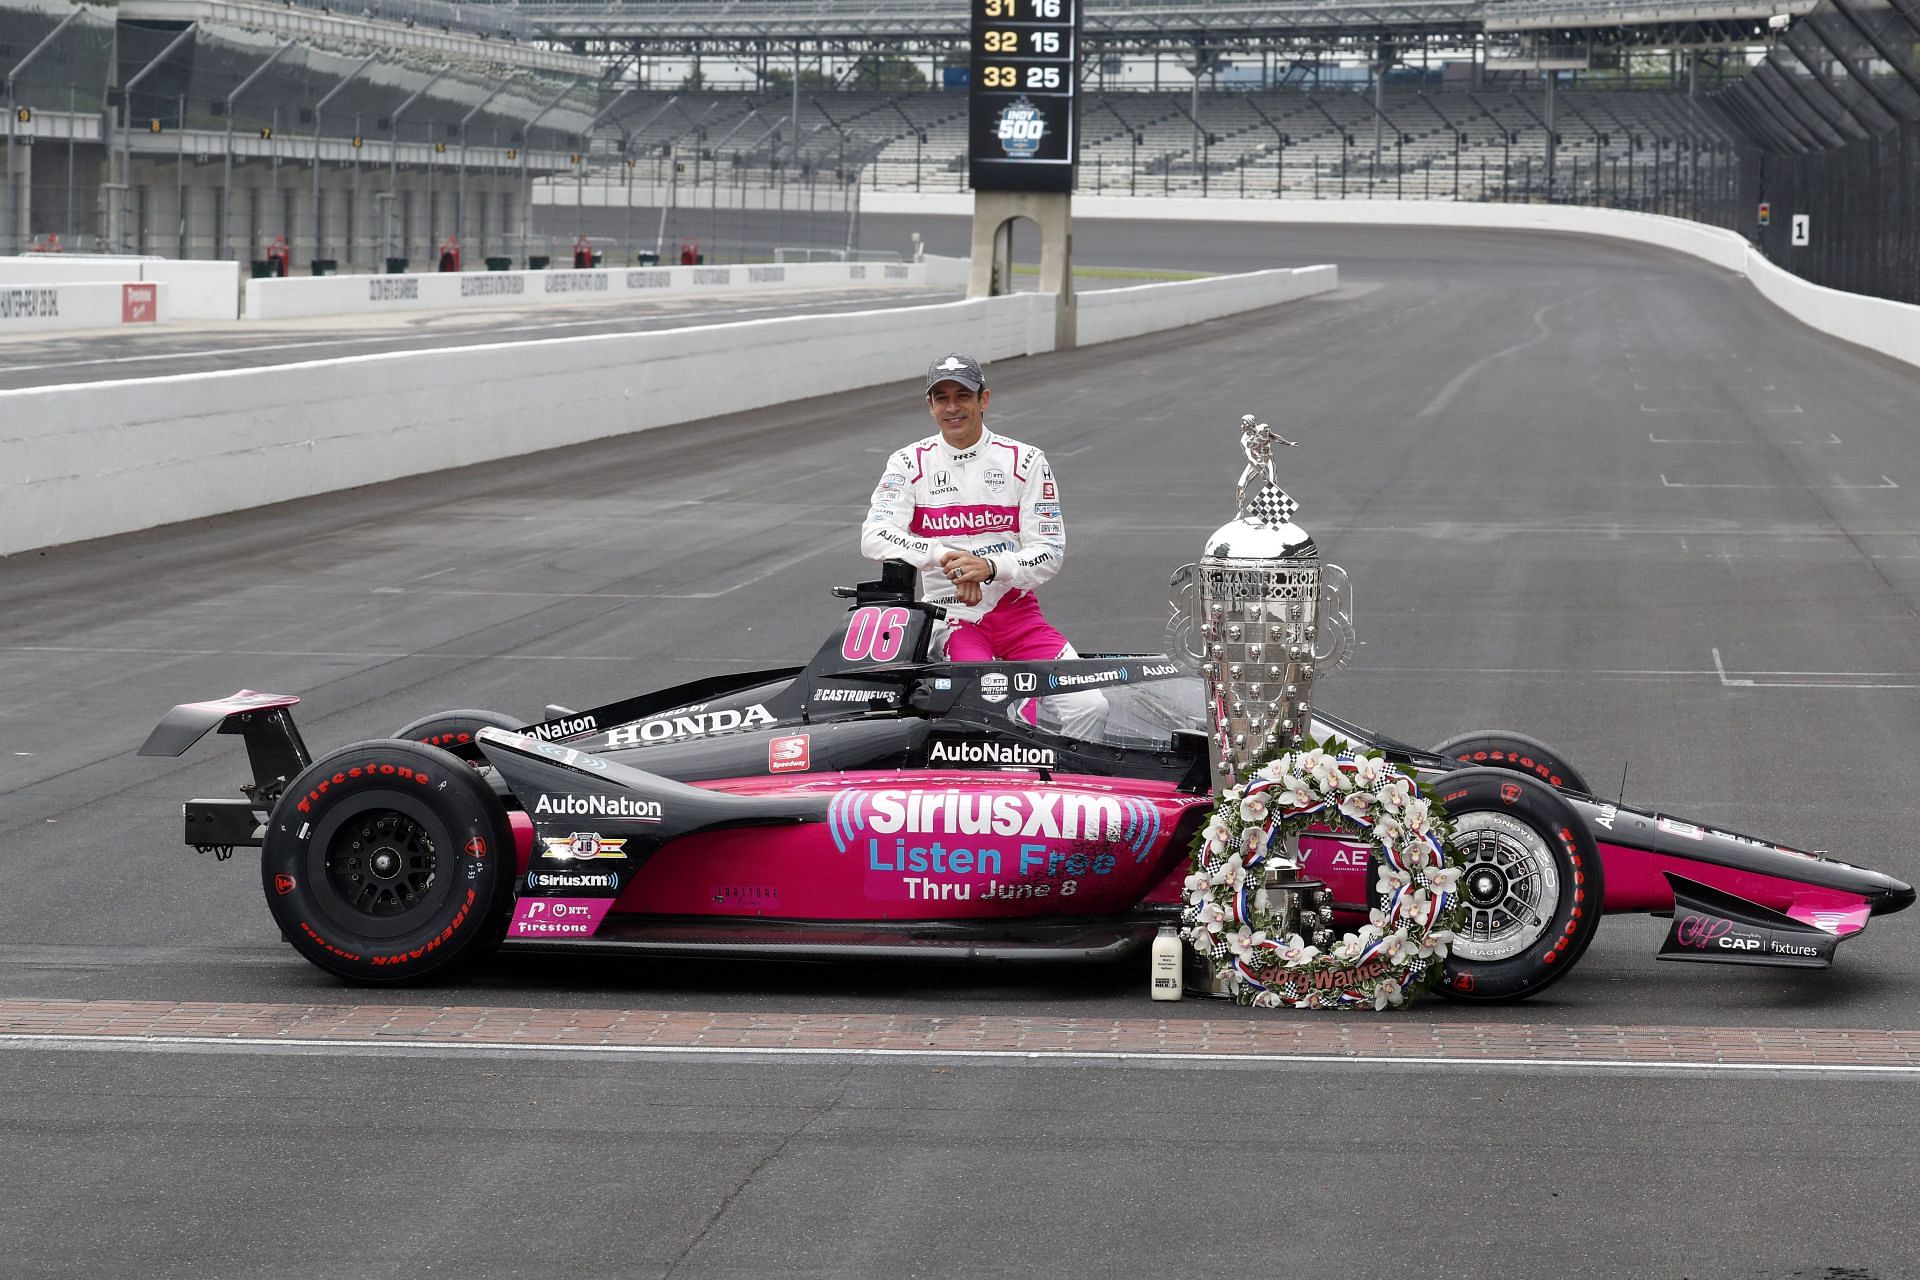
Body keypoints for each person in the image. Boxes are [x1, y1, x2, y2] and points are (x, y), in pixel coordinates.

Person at [861, 353, 1106, 739]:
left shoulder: (1025, 460)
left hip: (1019, 616)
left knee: (1090, 705)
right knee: (997, 707)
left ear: (984, 400)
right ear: (930, 405)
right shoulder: (909, 463)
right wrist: (945, 558)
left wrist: (990, 567)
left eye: (963, 395)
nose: (953, 407)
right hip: (952, 619)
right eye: (941, 398)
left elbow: (1049, 550)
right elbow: (874, 536)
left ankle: (1066, 793)